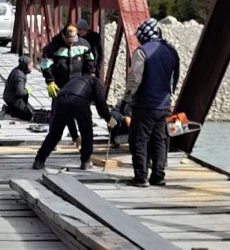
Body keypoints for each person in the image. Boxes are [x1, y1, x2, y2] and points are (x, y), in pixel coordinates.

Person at [122, 18, 179, 187]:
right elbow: (175, 78)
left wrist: (127, 99)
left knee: (140, 140)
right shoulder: (171, 51)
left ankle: (141, 177)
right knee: (159, 140)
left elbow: (135, 79)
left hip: (145, 105)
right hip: (163, 105)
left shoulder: (142, 51)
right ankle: (158, 176)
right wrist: (169, 96)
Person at [32, 75, 117, 170]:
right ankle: (85, 161)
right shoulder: (96, 82)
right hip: (79, 100)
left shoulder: (74, 80)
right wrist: (109, 118)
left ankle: (39, 160)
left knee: (55, 134)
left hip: (60, 100)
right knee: (86, 132)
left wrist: (75, 137)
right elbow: (100, 103)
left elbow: (69, 118)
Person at [40, 23, 95, 145]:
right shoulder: (53, 47)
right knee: (57, 114)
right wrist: (50, 81)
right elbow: (45, 65)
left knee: (81, 113)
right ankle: (52, 142)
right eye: (69, 40)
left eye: (73, 40)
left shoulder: (84, 45)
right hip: (59, 85)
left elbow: (90, 62)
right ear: (63, 36)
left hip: (78, 85)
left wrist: (90, 79)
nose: (71, 43)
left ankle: (81, 140)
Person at [2, 56, 34, 121]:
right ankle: (9, 110)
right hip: (13, 98)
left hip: (9, 95)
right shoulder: (20, 76)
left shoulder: (17, 69)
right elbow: (20, 92)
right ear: (25, 66)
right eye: (30, 65)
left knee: (25, 94)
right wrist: (27, 91)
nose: (31, 67)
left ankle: (13, 109)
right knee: (28, 116)